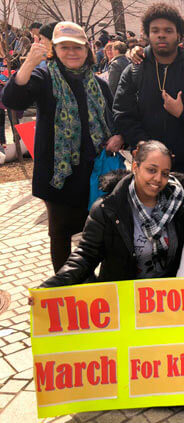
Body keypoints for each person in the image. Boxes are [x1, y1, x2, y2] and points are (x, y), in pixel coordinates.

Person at [2, 21, 123, 273]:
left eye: (77, 47)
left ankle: (95, 283)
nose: (71, 52)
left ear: (87, 50)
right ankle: (66, 288)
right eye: (64, 47)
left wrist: (120, 137)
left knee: (99, 230)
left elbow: (114, 120)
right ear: (54, 50)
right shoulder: (44, 77)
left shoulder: (98, 84)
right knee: (60, 234)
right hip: (59, 175)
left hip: (95, 174)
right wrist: (28, 63)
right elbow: (12, 99)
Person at [113, 2, 184, 234]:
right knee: (149, 235)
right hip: (149, 170)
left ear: (179, 35)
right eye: (155, 31)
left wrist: (183, 113)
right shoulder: (134, 71)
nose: (161, 36)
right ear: (147, 34)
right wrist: (144, 144)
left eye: (168, 30)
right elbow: (122, 114)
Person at [39, 141, 184, 287]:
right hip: (122, 303)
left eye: (165, 173)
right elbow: (85, 256)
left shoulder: (178, 205)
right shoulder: (108, 208)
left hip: (167, 301)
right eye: (151, 170)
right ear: (135, 167)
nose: (158, 179)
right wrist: (51, 287)